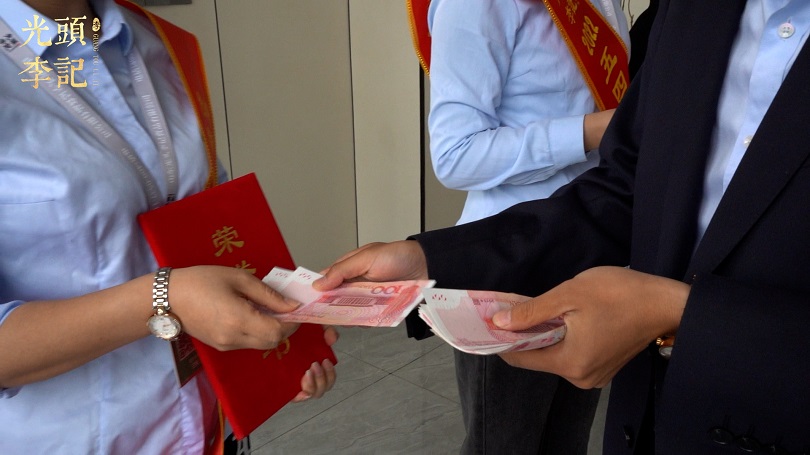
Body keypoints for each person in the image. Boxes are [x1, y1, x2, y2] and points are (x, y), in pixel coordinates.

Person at [315, 0, 810, 453]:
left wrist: (678, 313)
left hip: (660, 330)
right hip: (538, 269)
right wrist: (434, 259)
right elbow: (630, 186)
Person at [0, 0, 336, 453]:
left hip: (204, 426)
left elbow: (203, 219)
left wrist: (274, 345)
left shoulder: (156, 39)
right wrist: (163, 298)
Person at [424, 0, 629, 452]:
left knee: (568, 438)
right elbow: (456, 155)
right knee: (504, 442)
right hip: (510, 266)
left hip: (589, 254)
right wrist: (594, 131)